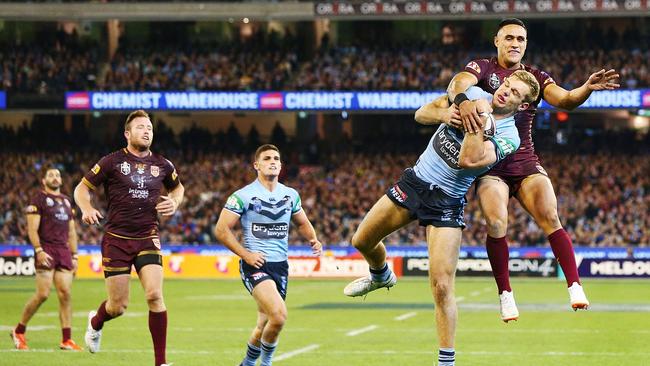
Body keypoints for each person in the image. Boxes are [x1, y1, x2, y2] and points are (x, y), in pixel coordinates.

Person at [344, 71, 540, 366]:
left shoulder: (510, 136)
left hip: (447, 202)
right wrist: (447, 114)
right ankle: (381, 274)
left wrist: (479, 128)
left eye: (514, 93)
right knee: (361, 240)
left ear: (522, 105)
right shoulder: (472, 96)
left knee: (442, 286)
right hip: (416, 182)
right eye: (507, 85)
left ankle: (446, 362)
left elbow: (469, 161)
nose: (505, 92)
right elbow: (420, 114)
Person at [445, 18, 619, 321]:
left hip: (524, 161)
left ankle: (575, 285)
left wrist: (586, 88)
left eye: (521, 39)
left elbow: (565, 100)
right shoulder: (483, 68)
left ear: (526, 44)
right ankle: (506, 294)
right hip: (490, 163)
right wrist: (462, 101)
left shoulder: (535, 78)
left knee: (551, 216)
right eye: (509, 37)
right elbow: (458, 83)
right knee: (497, 222)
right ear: (496, 41)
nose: (515, 43)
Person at [74, 110, 183, 366]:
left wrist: (175, 202)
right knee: (118, 306)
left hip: (148, 237)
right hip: (117, 239)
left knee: (155, 295)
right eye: (141, 127)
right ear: (127, 133)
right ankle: (96, 321)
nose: (147, 131)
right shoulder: (111, 162)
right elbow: (82, 188)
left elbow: (178, 187)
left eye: (150, 128)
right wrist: (86, 208)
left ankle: (161, 362)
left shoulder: (163, 165)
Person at [215, 144, 322, 366]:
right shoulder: (242, 196)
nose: (273, 161)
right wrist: (246, 255)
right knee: (279, 316)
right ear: (257, 165)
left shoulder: (290, 195)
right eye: (267, 158)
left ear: (281, 165)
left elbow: (302, 222)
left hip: (280, 267)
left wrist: (313, 238)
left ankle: (247, 363)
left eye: (276, 158)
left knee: (263, 324)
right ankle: (266, 363)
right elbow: (221, 230)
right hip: (256, 265)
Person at [10, 167, 82, 351]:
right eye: (51, 175)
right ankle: (19, 331)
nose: (55, 178)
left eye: (58, 175)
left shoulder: (67, 202)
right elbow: (32, 229)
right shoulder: (38, 200)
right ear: (44, 181)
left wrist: (75, 255)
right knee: (42, 294)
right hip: (46, 248)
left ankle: (67, 340)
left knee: (65, 293)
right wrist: (39, 250)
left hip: (64, 251)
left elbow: (72, 231)